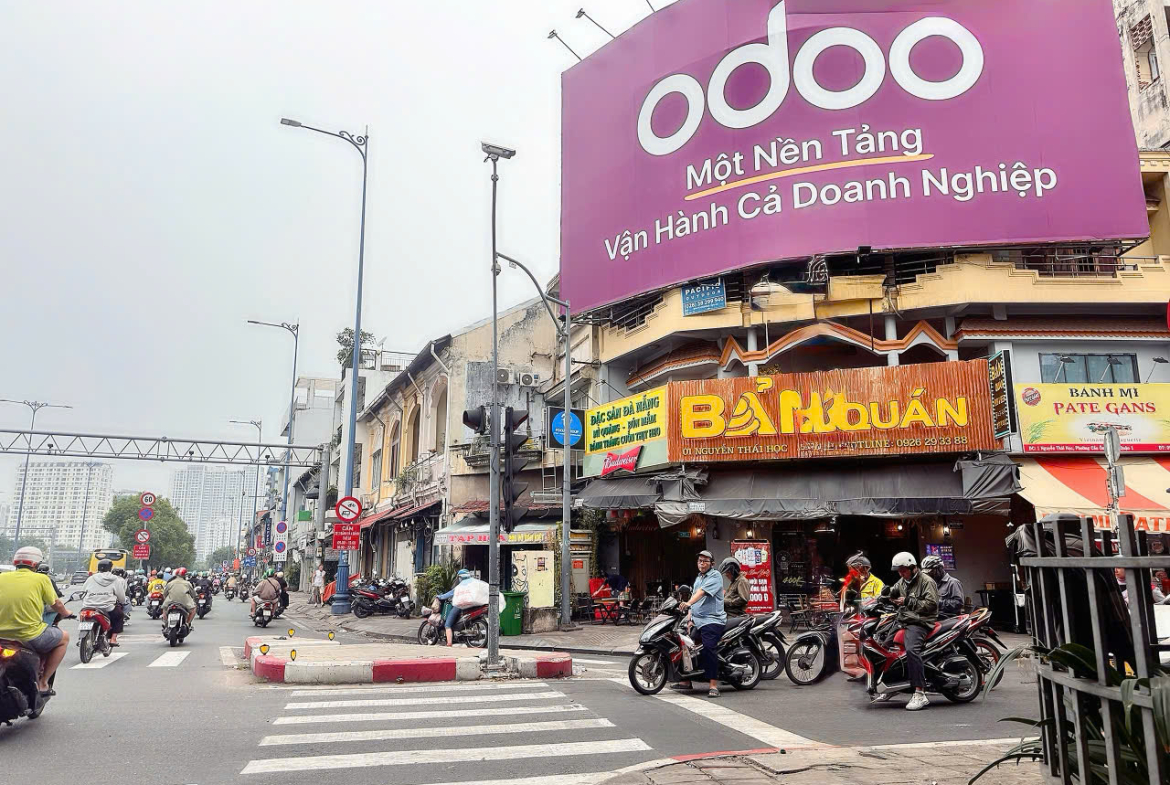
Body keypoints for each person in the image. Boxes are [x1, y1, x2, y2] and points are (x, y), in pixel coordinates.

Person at [0, 547, 73, 696]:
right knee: (64, 638)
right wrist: (66, 613)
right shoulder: (42, 579)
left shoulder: (2, 577)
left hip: (2, 636)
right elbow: (56, 603)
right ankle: (43, 682)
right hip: (29, 636)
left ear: (15, 563)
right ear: (36, 564)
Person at [881, 552, 939, 711]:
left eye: (903, 571)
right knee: (884, 647)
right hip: (903, 619)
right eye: (898, 571)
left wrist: (907, 601)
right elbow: (893, 591)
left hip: (920, 621)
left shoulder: (926, 581)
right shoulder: (902, 581)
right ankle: (892, 685)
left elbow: (931, 604)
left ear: (913, 568)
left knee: (912, 650)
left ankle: (920, 692)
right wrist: (885, 596)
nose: (901, 574)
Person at [673, 550, 726, 698]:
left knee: (709, 648)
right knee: (685, 646)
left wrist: (688, 603)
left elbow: (701, 593)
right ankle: (686, 680)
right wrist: (690, 618)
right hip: (698, 620)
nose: (701, 563)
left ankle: (713, 685)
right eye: (699, 561)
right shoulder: (698, 578)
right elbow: (695, 598)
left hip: (712, 620)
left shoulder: (715, 576)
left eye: (705, 561)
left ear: (712, 564)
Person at [80, 559, 128, 645]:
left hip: (89, 606)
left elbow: (82, 592)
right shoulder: (114, 579)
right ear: (110, 568)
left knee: (82, 616)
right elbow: (121, 596)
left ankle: (81, 638)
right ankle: (113, 639)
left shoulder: (91, 578)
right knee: (119, 615)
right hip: (107, 607)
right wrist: (122, 601)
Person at [435, 569, 474, 647]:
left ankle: (449, 643)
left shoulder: (461, 587)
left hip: (459, 606)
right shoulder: (471, 586)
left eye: (459, 577)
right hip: (469, 605)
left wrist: (439, 596)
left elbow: (449, 594)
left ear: (461, 578)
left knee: (447, 624)